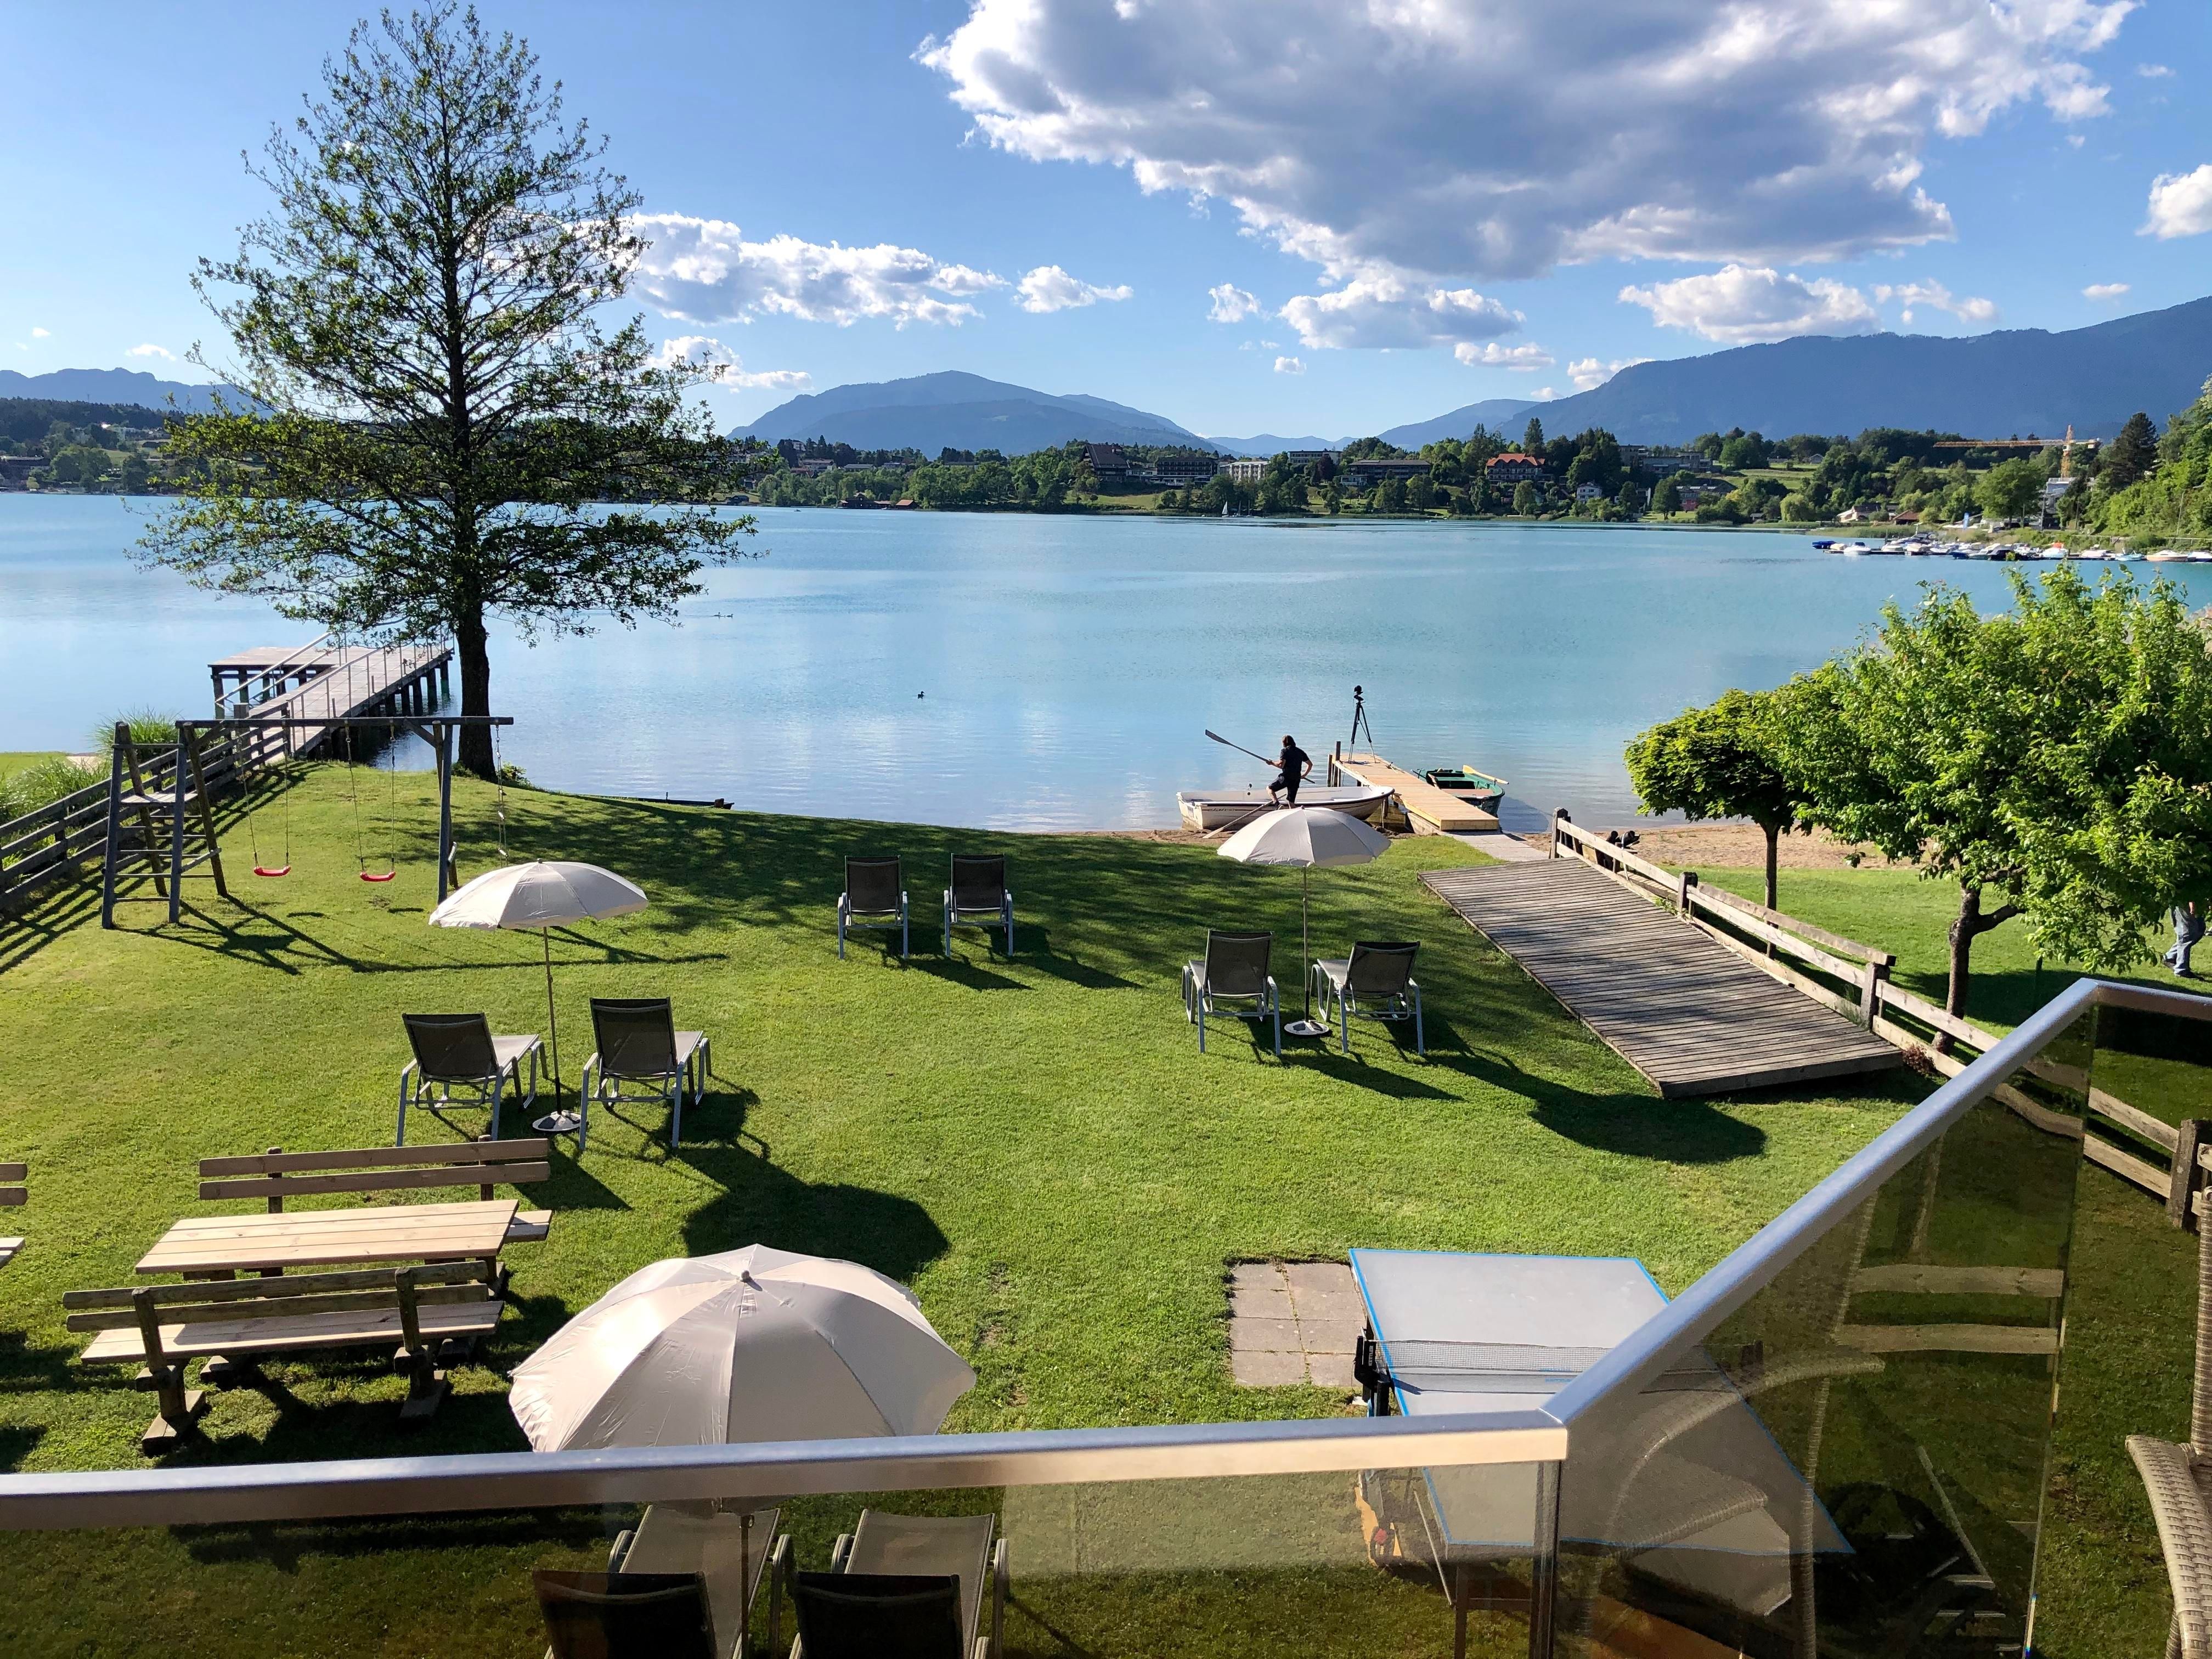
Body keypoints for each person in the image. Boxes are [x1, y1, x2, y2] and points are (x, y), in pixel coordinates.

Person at [1268, 735, 1312, 806]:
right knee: (1291, 802)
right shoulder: (1300, 752)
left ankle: (1278, 805)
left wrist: (1272, 763)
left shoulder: (1284, 751)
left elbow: (1281, 765)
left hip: (1286, 777)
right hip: (1296, 779)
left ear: (1284, 743)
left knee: (1270, 789)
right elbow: (1310, 764)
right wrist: (1304, 775)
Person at [2166, 899, 2203, 978]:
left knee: (2200, 928)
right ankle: (2181, 969)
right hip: (2183, 900)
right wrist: (2191, 902)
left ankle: (2170, 957)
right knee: (2187, 933)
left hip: (2199, 898)